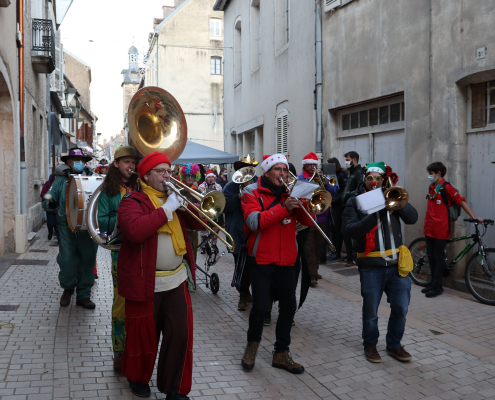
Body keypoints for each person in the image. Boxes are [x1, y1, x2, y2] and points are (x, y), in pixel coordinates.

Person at [117, 152, 203, 399]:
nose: (168, 176)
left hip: (177, 280)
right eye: (161, 171)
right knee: (143, 336)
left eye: (169, 171)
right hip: (144, 281)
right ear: (146, 175)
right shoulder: (132, 201)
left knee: (179, 335)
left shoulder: (174, 198)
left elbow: (200, 224)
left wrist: (187, 203)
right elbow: (135, 231)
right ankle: (138, 378)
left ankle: (175, 388)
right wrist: (168, 208)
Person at [240, 153, 314, 374]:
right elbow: (255, 222)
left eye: (285, 170)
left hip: (287, 259)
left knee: (289, 307)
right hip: (262, 258)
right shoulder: (251, 191)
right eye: (278, 169)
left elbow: (308, 222)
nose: (283, 174)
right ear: (267, 171)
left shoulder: (290, 192)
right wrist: (285, 207)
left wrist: (304, 201)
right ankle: (251, 347)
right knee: (261, 308)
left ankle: (281, 353)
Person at [344, 162, 418, 364]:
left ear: (384, 179)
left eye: (378, 178)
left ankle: (394, 344)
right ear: (365, 179)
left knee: (401, 308)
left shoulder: (391, 196)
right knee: (371, 311)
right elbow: (352, 230)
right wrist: (378, 212)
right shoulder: (355, 201)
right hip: (370, 266)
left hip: (396, 265)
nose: (374, 182)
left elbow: (412, 218)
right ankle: (370, 344)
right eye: (370, 178)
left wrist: (397, 200)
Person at [97, 146, 140, 371]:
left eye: (133, 163)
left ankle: (137, 347)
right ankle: (119, 349)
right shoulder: (109, 191)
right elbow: (102, 220)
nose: (131, 166)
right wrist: (125, 219)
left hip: (142, 249)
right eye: (126, 162)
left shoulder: (141, 186)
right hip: (120, 250)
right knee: (121, 300)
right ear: (116, 164)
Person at [42, 148, 98, 309]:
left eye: (81, 160)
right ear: (68, 162)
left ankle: (84, 295)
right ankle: (68, 289)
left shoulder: (93, 178)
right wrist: (50, 202)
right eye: (74, 160)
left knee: (87, 262)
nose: (78, 163)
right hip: (67, 228)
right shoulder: (59, 180)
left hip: (88, 229)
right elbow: (47, 197)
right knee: (66, 260)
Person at [423, 162, 483, 298]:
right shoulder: (431, 187)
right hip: (429, 228)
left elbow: (461, 202)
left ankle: (438, 287)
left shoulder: (447, 188)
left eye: (431, 174)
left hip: (441, 229)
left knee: (439, 258)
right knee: (431, 257)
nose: (429, 176)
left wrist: (474, 217)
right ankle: (432, 283)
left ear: (438, 173)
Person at [297, 152, 338, 287]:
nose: (312, 167)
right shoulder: (300, 177)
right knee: (309, 248)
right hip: (307, 217)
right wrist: (311, 182)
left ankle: (314, 269)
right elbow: (299, 192)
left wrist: (326, 182)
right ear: (305, 165)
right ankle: (311, 275)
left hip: (322, 216)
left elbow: (334, 191)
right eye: (309, 164)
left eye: (314, 164)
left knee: (319, 247)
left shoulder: (323, 176)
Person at [223, 157, 257, 311]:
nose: (246, 172)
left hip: (254, 232)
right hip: (237, 233)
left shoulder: (258, 184)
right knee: (241, 267)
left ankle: (254, 294)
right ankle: (243, 295)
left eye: (249, 168)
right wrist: (238, 197)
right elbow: (225, 207)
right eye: (243, 169)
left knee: (255, 267)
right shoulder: (230, 186)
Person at [341, 151, 364, 266]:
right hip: (346, 205)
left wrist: (349, 195)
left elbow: (360, 189)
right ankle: (349, 255)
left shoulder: (358, 172)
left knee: (351, 233)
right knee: (344, 232)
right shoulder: (352, 172)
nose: (346, 162)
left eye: (348, 160)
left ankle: (354, 257)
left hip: (352, 206)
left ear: (354, 160)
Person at [327, 157, 348, 261]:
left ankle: (337, 251)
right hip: (334, 204)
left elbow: (343, 191)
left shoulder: (341, 175)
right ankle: (335, 250)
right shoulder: (333, 175)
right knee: (334, 229)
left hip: (339, 206)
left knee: (338, 229)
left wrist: (334, 200)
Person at [179, 163, 201, 259]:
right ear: (184, 175)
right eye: (188, 175)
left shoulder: (197, 190)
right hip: (180, 223)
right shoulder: (177, 187)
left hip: (192, 225)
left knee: (193, 251)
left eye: (193, 176)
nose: (190, 178)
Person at [198, 170, 223, 253]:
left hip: (214, 210)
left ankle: (213, 244)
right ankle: (204, 245)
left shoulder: (218, 186)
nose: (211, 179)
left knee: (215, 228)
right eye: (209, 177)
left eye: (212, 177)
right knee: (203, 228)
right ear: (206, 178)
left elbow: (220, 196)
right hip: (205, 209)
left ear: (215, 178)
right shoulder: (201, 186)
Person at [40, 173, 59, 241]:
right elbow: (42, 194)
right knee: (51, 223)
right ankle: (50, 232)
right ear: (54, 176)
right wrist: (48, 198)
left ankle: (59, 239)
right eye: (57, 176)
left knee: (58, 225)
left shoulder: (61, 183)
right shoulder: (48, 183)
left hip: (58, 207)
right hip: (50, 207)